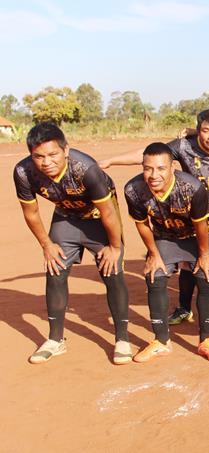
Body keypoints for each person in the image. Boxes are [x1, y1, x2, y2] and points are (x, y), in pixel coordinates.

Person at [102, 109, 209, 324]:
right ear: (198, 131)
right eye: (205, 131)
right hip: (190, 217)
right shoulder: (184, 146)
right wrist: (112, 161)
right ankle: (184, 308)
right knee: (189, 261)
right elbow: (150, 155)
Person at [14, 122, 131, 365]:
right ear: (30, 155)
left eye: (53, 154)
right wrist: (47, 245)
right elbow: (31, 213)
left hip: (100, 219)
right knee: (54, 270)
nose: (46, 162)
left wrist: (115, 248)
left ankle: (122, 338)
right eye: (39, 156)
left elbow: (109, 212)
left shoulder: (85, 168)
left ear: (65, 150)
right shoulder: (24, 172)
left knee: (112, 271)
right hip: (66, 216)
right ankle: (55, 340)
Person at [124, 142, 209, 363]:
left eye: (160, 168)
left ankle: (206, 340)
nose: (153, 174)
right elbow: (142, 224)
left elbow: (201, 225)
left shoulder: (192, 187)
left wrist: (205, 254)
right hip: (165, 238)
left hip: (195, 238)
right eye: (148, 168)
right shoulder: (133, 189)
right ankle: (161, 341)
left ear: (172, 167)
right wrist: (153, 254)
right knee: (155, 275)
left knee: (206, 276)